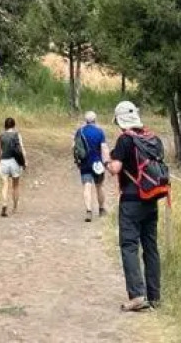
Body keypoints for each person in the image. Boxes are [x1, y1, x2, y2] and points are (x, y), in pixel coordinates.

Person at [107, 100, 169, 312]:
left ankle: (136, 295)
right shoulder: (153, 139)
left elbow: (115, 168)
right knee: (151, 247)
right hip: (151, 198)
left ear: (120, 120)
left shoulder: (125, 140)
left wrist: (107, 161)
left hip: (132, 200)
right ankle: (155, 296)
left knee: (129, 246)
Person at [73, 110, 109, 222]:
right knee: (99, 186)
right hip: (97, 163)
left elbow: (74, 147)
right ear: (95, 120)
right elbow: (104, 148)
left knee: (87, 186)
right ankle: (101, 209)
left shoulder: (80, 131)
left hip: (84, 163)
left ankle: (88, 211)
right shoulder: (99, 132)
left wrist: (77, 161)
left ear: (86, 120)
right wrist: (106, 162)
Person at [0, 116, 26, 217]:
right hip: (14, 162)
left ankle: (4, 203)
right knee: (15, 185)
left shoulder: (1, 135)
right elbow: (21, 149)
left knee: (5, 184)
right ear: (14, 125)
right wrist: (24, 162)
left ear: (5, 125)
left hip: (4, 161)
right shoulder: (17, 135)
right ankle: (15, 207)